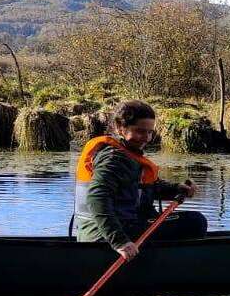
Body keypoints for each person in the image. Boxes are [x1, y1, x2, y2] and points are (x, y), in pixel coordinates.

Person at [74, 100, 207, 257]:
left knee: (189, 220)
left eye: (150, 132)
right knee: (195, 221)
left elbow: (141, 187)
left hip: (122, 228)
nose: (146, 138)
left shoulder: (126, 153)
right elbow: (97, 198)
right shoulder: (113, 158)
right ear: (120, 127)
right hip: (105, 235)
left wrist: (177, 189)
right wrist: (120, 242)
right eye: (140, 131)